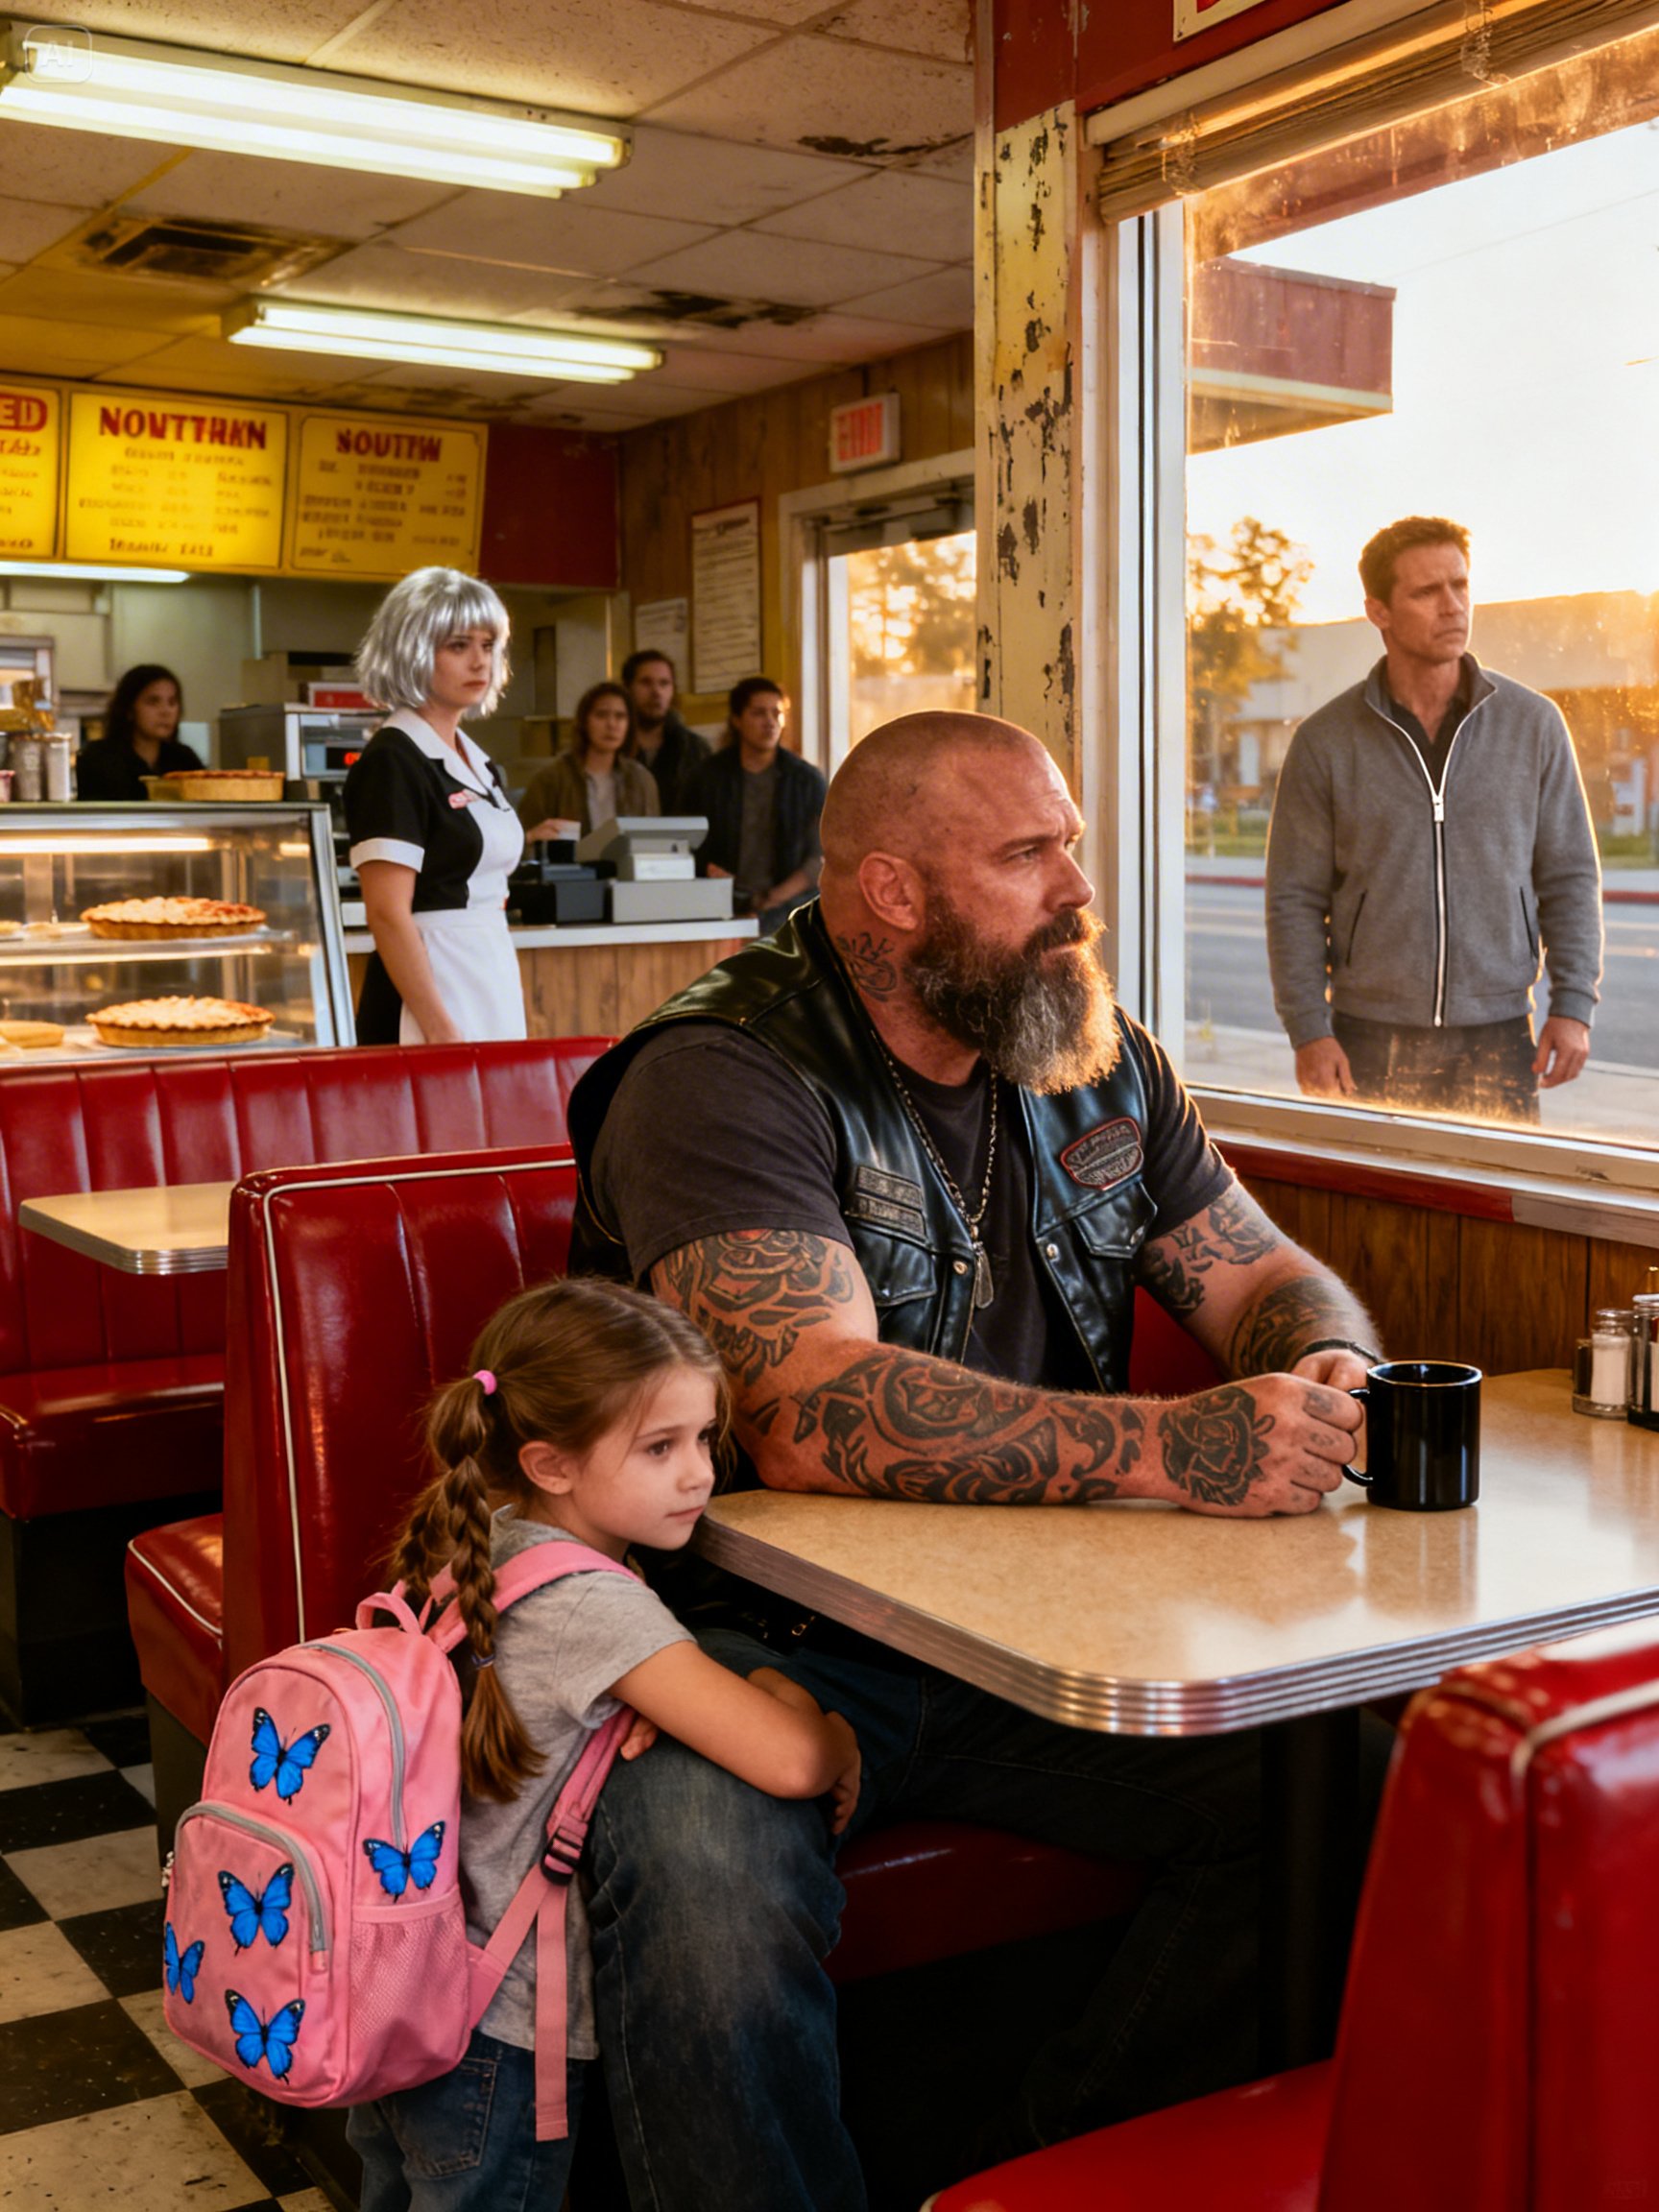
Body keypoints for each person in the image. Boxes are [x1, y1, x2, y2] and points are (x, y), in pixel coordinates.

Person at [568, 709, 1382, 2209]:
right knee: (701, 1876)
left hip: (1042, 1633)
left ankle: (1043, 2172)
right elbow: (802, 1406)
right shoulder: (722, 1070)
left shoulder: (1093, 1057)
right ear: (895, 894)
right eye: (1028, 855)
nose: (1078, 889)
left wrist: (1328, 1365)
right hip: (757, 1636)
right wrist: (1180, 1448)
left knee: (1360, 1785)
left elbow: (1267, 1276)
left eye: (1067, 842)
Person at [347, 1277, 859, 2212]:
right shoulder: (590, 1604)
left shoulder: (462, 1548)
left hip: (396, 1985)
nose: (700, 1474)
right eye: (660, 1448)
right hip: (500, 2031)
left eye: (706, 1439)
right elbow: (791, 1762)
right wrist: (810, 1708)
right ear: (550, 1464)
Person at [1264, 516, 1603, 1121]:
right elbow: (1293, 898)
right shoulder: (1326, 742)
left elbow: (1570, 876)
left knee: (1498, 1207)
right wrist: (1309, 1032)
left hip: (1500, 1037)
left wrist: (1573, 1005)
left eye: (1460, 586)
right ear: (1379, 612)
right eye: (1427, 592)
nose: (1452, 607)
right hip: (1368, 1038)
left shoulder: (1533, 725)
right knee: (1371, 1209)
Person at [345, 566, 526, 1046]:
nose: (479, 663)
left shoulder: (479, 760)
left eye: (488, 646)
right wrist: (440, 1028)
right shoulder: (392, 760)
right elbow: (387, 915)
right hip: (426, 998)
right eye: (458, 646)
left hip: (489, 975)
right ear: (412, 649)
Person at [687, 674, 825, 934]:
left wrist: (775, 897)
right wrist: (710, 871)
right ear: (737, 720)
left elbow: (820, 854)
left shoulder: (806, 780)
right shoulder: (707, 777)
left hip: (792, 908)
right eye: (759, 713)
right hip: (719, 906)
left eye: (777, 713)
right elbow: (687, 842)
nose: (770, 722)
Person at [517, 680, 660, 843]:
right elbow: (524, 842)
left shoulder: (640, 780)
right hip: (572, 867)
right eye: (601, 715)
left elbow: (652, 842)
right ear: (585, 721)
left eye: (620, 716)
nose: (612, 724)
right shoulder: (550, 779)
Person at [75, 664, 203, 800]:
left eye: (172, 702)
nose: (166, 711)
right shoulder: (99, 758)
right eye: (153, 702)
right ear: (129, 709)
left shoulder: (185, 760)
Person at [622, 647, 709, 814]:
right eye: (646, 683)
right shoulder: (612, 747)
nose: (656, 692)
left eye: (664, 683)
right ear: (628, 688)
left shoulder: (694, 750)